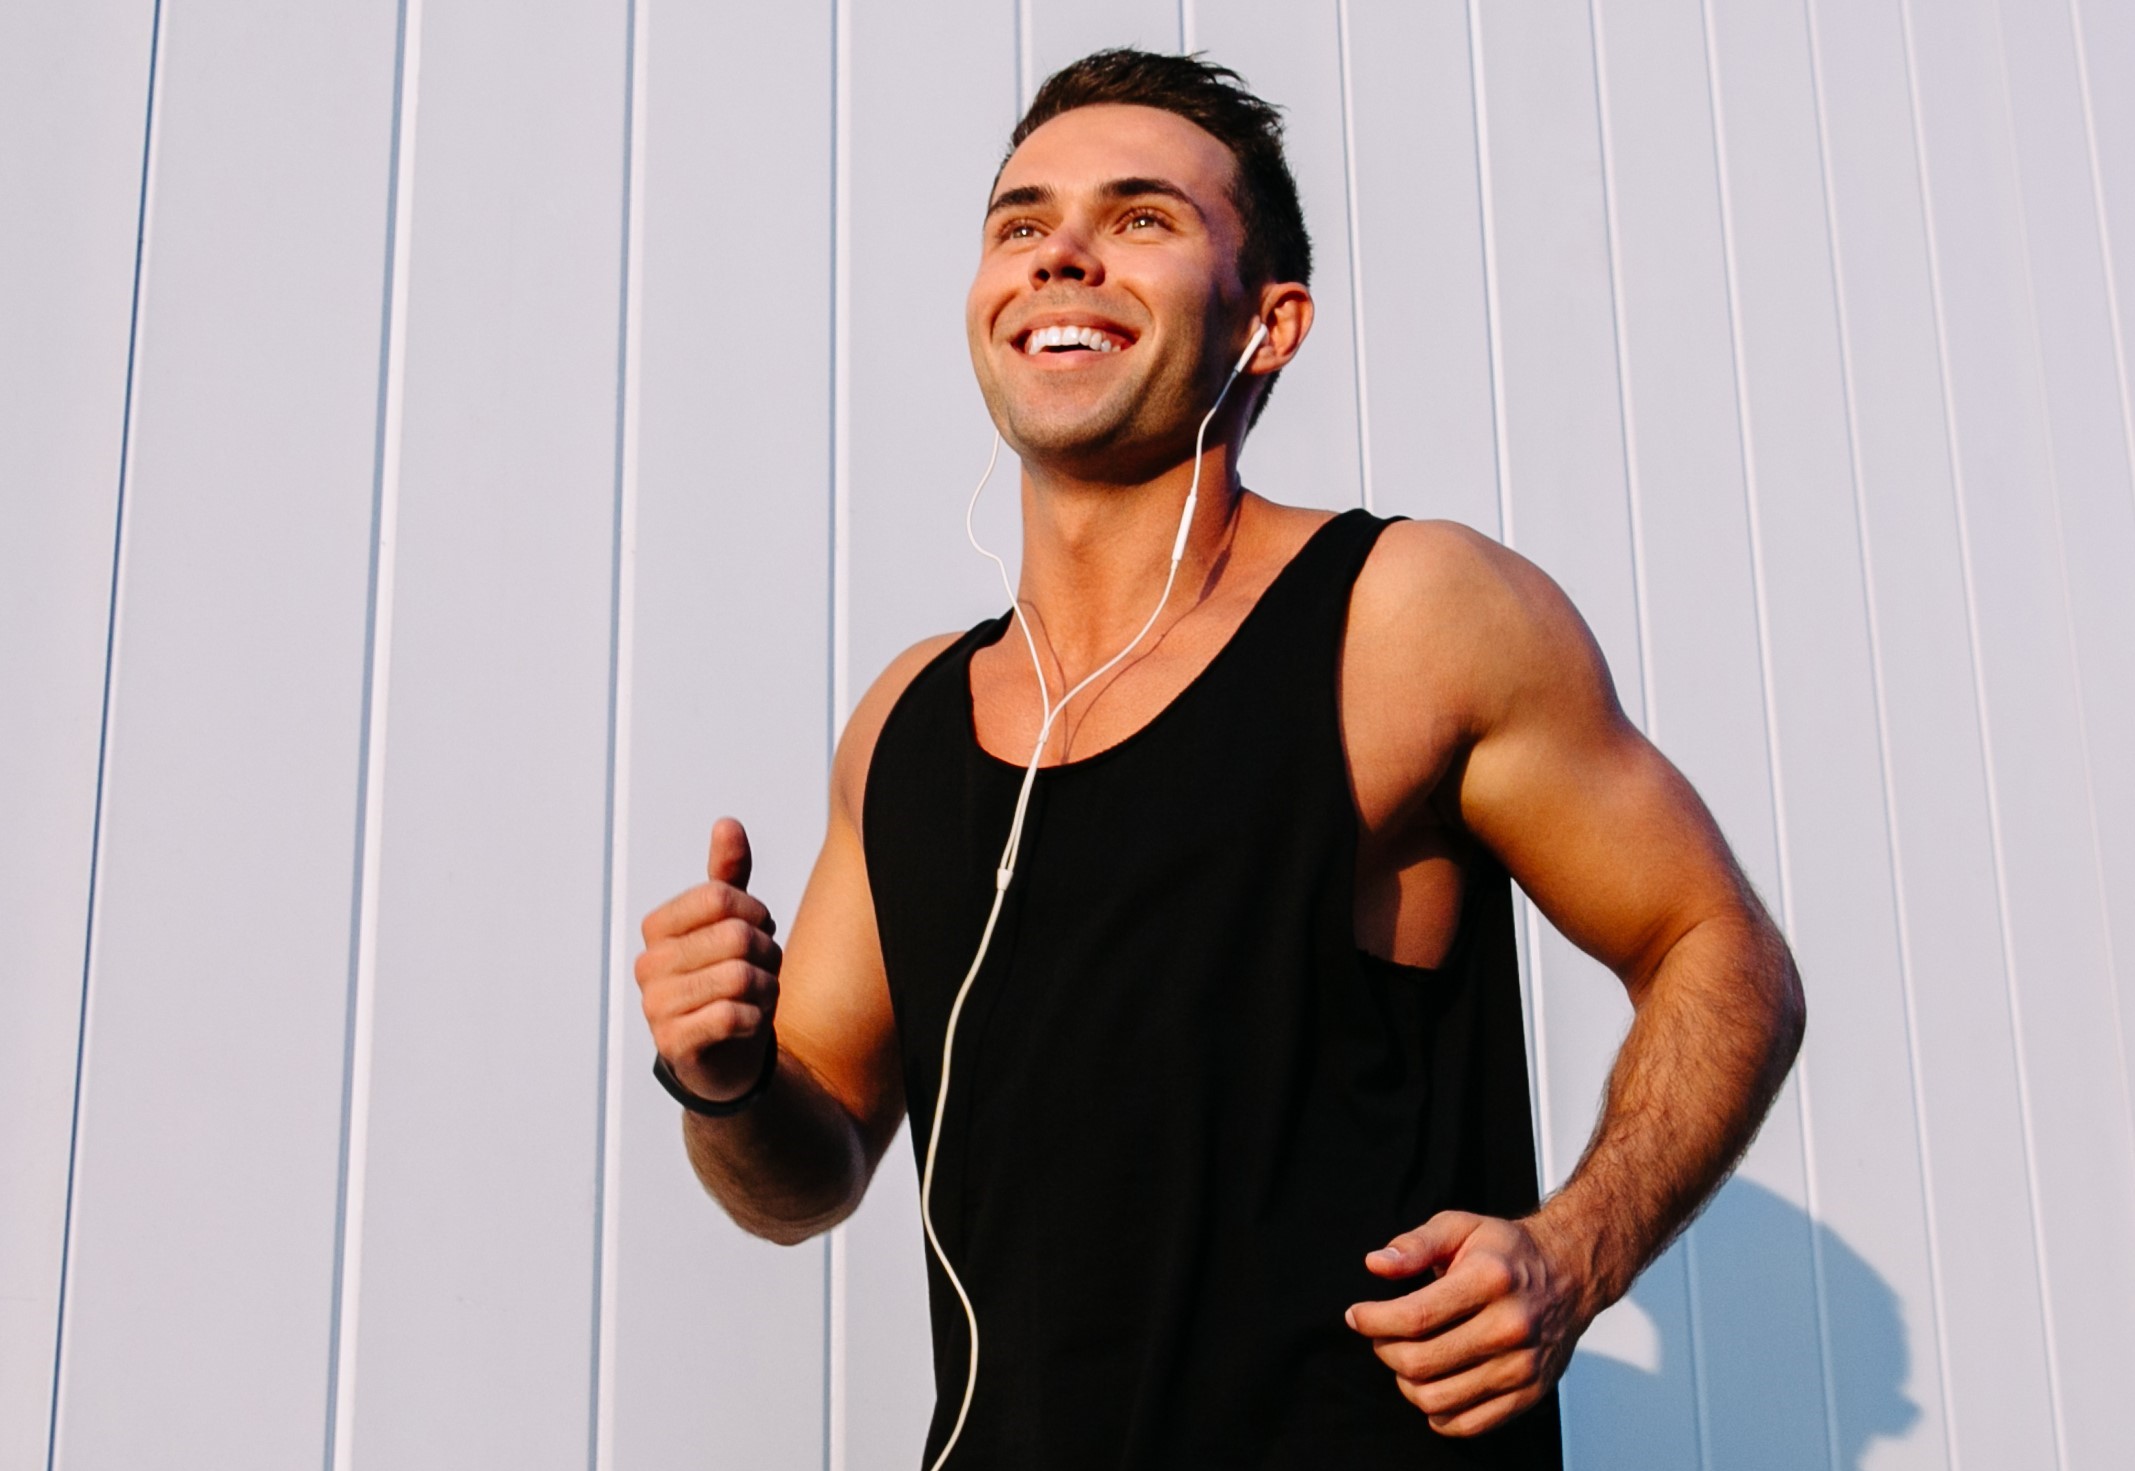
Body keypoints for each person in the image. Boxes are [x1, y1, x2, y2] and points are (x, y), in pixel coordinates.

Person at [634, 48, 1805, 1469]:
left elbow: (1718, 947)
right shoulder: (904, 722)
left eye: (1141, 217)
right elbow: (802, 1178)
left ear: (1270, 322)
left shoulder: (1408, 620)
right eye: (1020, 223)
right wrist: (725, 1079)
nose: (1060, 254)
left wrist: (1580, 1249)